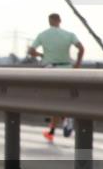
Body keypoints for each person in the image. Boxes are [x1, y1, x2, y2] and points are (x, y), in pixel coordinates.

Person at [28, 13, 85, 141]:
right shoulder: (69, 34)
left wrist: (42, 55)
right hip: (67, 70)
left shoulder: (42, 35)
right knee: (61, 101)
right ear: (60, 20)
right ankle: (52, 131)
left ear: (49, 21)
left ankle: (66, 119)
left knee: (54, 102)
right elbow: (81, 49)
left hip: (50, 72)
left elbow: (31, 51)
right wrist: (77, 65)